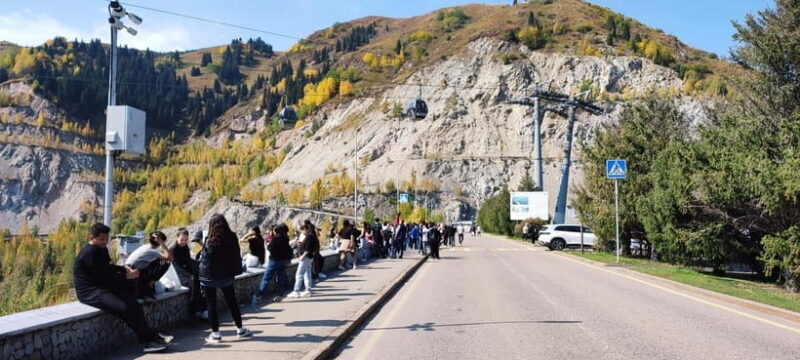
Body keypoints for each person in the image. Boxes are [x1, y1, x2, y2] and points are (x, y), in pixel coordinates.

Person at [74, 223, 173, 353]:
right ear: (92, 237)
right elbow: (103, 276)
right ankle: (147, 342)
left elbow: (108, 267)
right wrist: (127, 276)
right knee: (124, 308)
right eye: (101, 239)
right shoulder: (89, 252)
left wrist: (124, 269)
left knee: (135, 305)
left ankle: (151, 336)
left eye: (106, 238)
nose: (105, 242)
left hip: (101, 287)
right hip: (89, 292)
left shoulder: (101, 249)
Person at [199, 214, 252, 343]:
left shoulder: (209, 239)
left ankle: (216, 334)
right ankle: (240, 329)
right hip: (226, 275)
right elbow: (236, 256)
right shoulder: (232, 237)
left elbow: (205, 258)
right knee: (232, 302)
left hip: (209, 277)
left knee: (211, 305)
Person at [169, 228, 207, 319]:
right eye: (182, 240)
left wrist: (198, 268)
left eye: (186, 240)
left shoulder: (185, 247)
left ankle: (202, 308)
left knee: (198, 278)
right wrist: (189, 275)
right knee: (193, 281)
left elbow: (188, 261)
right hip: (177, 274)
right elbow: (176, 266)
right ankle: (195, 308)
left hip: (185, 271)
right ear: (177, 237)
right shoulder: (173, 250)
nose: (184, 242)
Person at [251, 223, 293, 305]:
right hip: (283, 261)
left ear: (276, 231)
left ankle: (259, 295)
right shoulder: (286, 239)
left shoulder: (275, 239)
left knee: (266, 278)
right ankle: (280, 295)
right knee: (280, 278)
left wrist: (268, 244)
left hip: (274, 261)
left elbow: (270, 248)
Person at [125, 231, 172, 300]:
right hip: (134, 275)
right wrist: (161, 242)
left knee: (158, 260)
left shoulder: (144, 247)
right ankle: (149, 286)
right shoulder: (151, 251)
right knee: (166, 262)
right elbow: (169, 258)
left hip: (130, 271)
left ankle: (149, 286)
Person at [287, 223, 320, 298]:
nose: (301, 232)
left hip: (305, 258)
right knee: (307, 274)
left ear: (306, 229)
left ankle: (296, 291)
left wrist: (302, 256)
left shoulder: (309, 237)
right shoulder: (312, 236)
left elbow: (308, 248)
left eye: (302, 230)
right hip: (309, 257)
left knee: (299, 274)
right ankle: (308, 290)